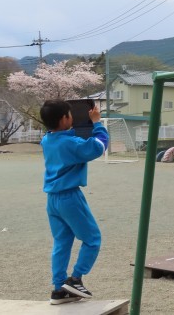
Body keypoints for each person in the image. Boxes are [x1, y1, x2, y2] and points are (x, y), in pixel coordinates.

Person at [40, 100, 109, 305]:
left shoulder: (46, 140)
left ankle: (59, 289)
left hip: (52, 199)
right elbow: (98, 146)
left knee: (61, 243)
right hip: (70, 198)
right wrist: (96, 123)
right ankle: (75, 279)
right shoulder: (71, 143)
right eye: (70, 115)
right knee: (92, 239)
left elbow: (68, 140)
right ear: (64, 119)